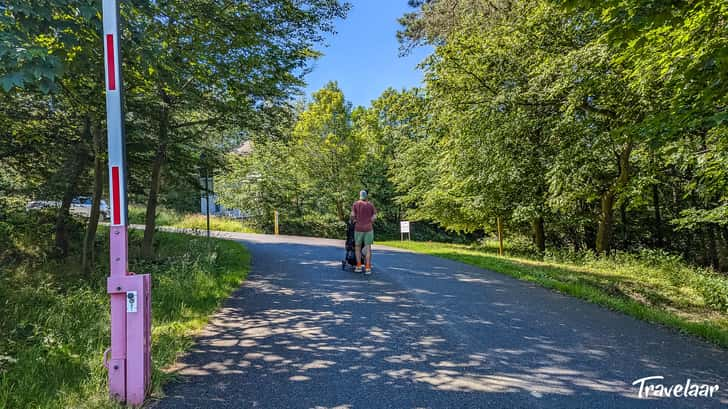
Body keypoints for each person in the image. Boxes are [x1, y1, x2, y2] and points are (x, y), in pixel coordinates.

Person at [351, 190, 376, 274]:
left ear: (360, 196)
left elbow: (352, 215)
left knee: (357, 248)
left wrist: (354, 221)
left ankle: (358, 267)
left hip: (358, 229)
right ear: (366, 196)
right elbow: (374, 217)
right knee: (367, 248)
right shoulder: (371, 205)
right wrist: (370, 222)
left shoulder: (355, 204)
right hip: (368, 229)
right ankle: (368, 268)